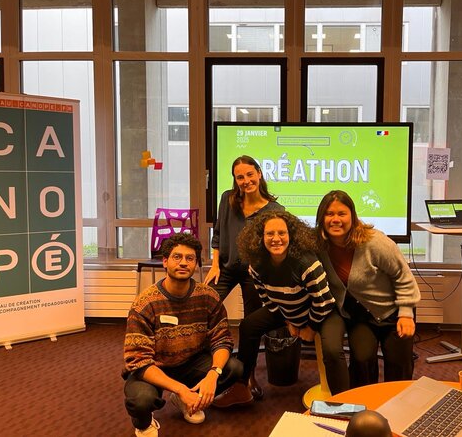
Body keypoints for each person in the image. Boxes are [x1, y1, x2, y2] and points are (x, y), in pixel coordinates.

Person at [123, 233, 243, 437]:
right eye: (177, 257)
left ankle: (187, 401)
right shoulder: (145, 303)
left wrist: (213, 374)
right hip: (154, 366)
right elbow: (139, 360)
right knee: (141, 400)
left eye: (190, 258)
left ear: (196, 264)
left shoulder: (208, 296)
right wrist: (180, 388)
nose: (183, 263)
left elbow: (222, 340)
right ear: (165, 261)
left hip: (191, 363)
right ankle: (144, 424)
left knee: (233, 368)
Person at [212, 210, 336, 406]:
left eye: (282, 233)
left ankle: (340, 395)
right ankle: (241, 387)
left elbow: (324, 302)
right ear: (260, 237)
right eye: (269, 234)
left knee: (332, 348)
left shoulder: (306, 263)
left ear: (291, 235)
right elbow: (266, 298)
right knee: (249, 326)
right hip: (287, 311)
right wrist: (288, 321)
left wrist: (310, 327)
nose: (276, 239)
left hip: (316, 314)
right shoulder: (257, 265)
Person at [315, 190, 421, 394]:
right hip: (360, 316)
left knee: (398, 365)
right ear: (321, 218)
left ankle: (397, 405)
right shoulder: (319, 246)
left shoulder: (374, 242)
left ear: (352, 216)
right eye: (329, 214)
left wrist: (406, 313)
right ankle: (364, 403)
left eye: (341, 213)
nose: (335, 219)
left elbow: (403, 276)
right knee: (361, 361)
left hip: (394, 312)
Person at [204, 154, 284, 400]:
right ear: (235, 180)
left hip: (254, 274)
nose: (246, 180)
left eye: (250, 174)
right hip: (225, 268)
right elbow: (218, 234)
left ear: (259, 174)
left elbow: (276, 245)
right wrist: (214, 265)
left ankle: (247, 377)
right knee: (204, 307)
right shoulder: (227, 199)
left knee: (250, 325)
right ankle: (205, 369)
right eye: (240, 177)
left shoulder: (274, 210)